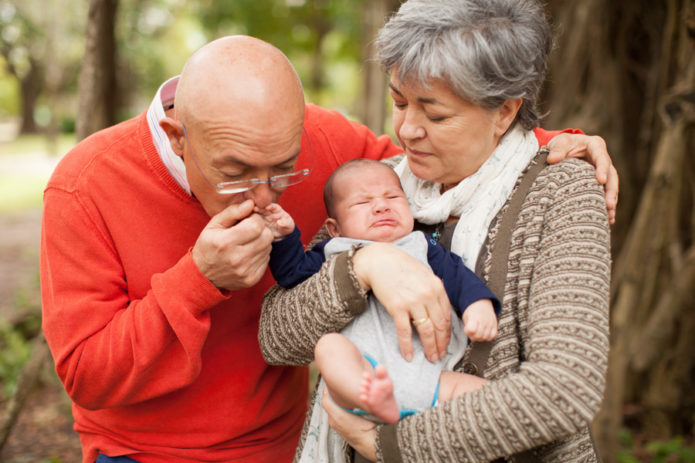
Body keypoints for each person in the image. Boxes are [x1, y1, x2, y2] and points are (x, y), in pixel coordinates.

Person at [39, 32, 613, 463]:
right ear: (177, 136)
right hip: (144, 453)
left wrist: (552, 144)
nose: (265, 195)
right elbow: (88, 376)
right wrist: (198, 279)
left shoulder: (318, 140)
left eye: (285, 170)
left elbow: (428, 156)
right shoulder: (86, 186)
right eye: (236, 172)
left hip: (287, 445)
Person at [258, 1, 612, 462]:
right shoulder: (382, 184)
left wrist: (393, 445)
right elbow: (277, 337)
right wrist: (363, 265)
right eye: (399, 101)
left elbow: (566, 388)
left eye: (435, 115)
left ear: (504, 112)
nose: (406, 130)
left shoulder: (562, 192)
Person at [261, 158, 499, 430]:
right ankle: (370, 401)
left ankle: (392, 412)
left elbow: (457, 276)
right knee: (328, 347)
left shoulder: (422, 246)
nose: (381, 205)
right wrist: (284, 238)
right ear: (335, 228)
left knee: (492, 398)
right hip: (364, 371)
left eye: (393, 197)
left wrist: (478, 305)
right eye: (363, 203)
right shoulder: (334, 250)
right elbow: (293, 274)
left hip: (433, 376)